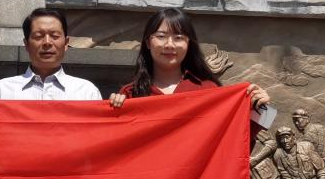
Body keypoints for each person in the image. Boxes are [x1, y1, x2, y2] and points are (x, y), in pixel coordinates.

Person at [107, 7, 271, 110]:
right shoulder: (131, 94)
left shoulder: (208, 89)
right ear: (148, 42)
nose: (169, 44)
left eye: (178, 38)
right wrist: (114, 110)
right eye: (161, 36)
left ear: (188, 44)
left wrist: (260, 107)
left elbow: (237, 137)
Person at [0, 7, 101, 101]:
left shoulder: (87, 92)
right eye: (38, 36)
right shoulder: (1, 91)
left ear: (66, 43)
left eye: (54, 36)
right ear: (26, 44)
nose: (47, 42)